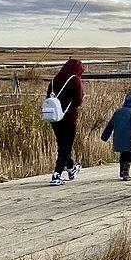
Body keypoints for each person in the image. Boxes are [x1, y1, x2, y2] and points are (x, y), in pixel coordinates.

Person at [46, 58, 85, 186]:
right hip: (69, 117)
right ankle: (56, 174)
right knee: (66, 146)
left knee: (61, 143)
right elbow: (78, 100)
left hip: (53, 117)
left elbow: (49, 97)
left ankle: (71, 167)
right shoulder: (75, 79)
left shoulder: (54, 80)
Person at [101, 90, 131, 181]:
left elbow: (110, 125)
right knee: (128, 155)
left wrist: (104, 137)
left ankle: (122, 171)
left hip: (118, 137)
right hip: (129, 138)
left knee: (123, 155)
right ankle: (126, 173)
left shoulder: (118, 111)